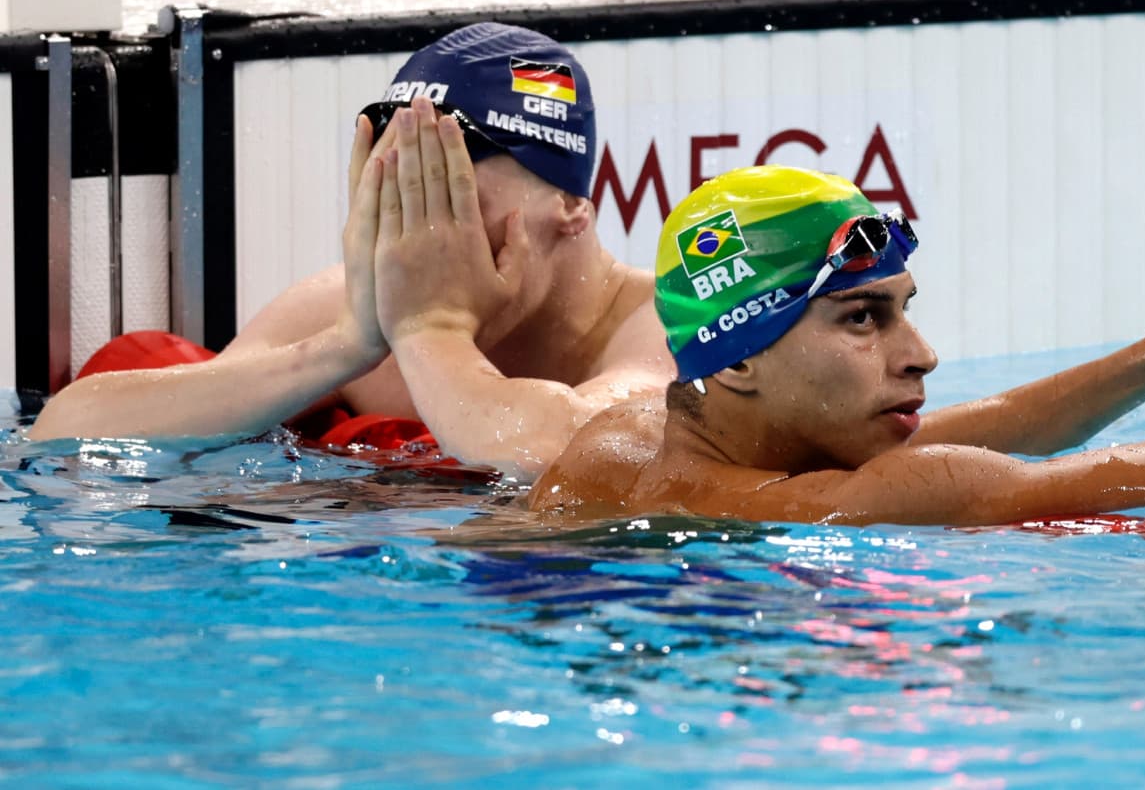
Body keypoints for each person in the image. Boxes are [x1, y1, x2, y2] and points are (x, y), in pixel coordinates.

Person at [530, 161, 1145, 525]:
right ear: (742, 356)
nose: (922, 353)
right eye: (864, 317)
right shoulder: (862, 503)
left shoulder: (613, 449)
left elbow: (965, 434)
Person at [31, 23, 676, 476]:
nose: (424, 239)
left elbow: (570, 449)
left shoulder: (664, 327)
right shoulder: (351, 308)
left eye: (450, 200)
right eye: (400, 197)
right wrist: (345, 345)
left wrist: (432, 334)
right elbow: (66, 431)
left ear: (571, 206)